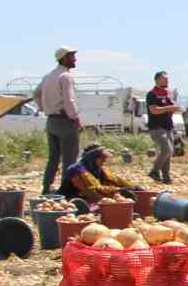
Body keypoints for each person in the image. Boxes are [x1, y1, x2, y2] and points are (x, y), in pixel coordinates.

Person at [35, 46, 82, 194]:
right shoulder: (66, 77)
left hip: (51, 121)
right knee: (70, 159)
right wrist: (75, 118)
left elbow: (36, 94)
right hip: (65, 121)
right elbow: (69, 101)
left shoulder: (49, 76)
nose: (75, 59)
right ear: (64, 58)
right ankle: (66, 191)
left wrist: (45, 108)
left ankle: (46, 188)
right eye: (72, 56)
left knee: (53, 158)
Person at [61, 144, 137, 204]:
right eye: (102, 157)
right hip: (72, 198)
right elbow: (93, 190)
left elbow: (115, 180)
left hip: (88, 197)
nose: (105, 160)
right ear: (93, 158)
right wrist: (119, 190)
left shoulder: (97, 168)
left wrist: (133, 187)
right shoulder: (77, 170)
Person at [145, 70, 180, 185]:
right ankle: (154, 171)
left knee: (170, 152)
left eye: (167, 79)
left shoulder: (168, 93)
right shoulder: (152, 94)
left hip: (168, 126)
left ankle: (166, 176)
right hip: (156, 127)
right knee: (167, 149)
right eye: (164, 78)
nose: (167, 80)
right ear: (157, 80)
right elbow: (154, 110)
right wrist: (169, 108)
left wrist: (171, 107)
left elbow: (175, 107)